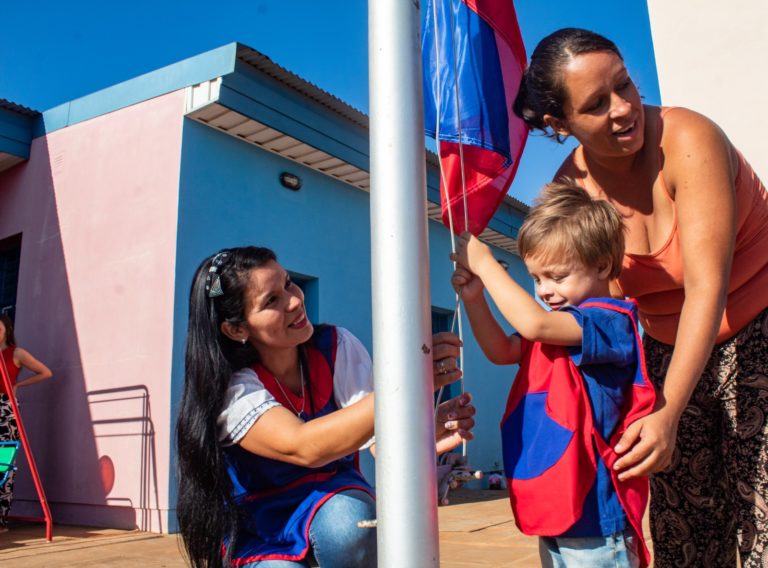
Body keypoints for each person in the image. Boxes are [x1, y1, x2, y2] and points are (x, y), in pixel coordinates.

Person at [512, 27, 768, 567]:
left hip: (758, 332)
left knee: (762, 521)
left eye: (625, 85)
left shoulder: (689, 139)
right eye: (597, 103)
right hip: (662, 356)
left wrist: (668, 411)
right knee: (688, 537)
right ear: (560, 125)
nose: (624, 108)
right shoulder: (573, 191)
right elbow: (570, 306)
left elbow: (706, 288)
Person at [176, 246, 475, 568]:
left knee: (348, 527)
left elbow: (379, 441)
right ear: (237, 329)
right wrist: (407, 384)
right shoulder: (232, 389)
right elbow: (304, 446)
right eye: (271, 301)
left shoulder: (336, 346)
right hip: (259, 524)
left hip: (333, 499)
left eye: (288, 283)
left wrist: (424, 428)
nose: (294, 300)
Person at [451, 181, 655, 568]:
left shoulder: (609, 322)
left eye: (557, 276)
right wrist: (475, 299)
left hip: (597, 510)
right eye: (537, 278)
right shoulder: (556, 322)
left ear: (602, 265)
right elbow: (502, 350)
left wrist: (486, 264)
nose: (545, 291)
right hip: (558, 503)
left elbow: (534, 327)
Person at [0, 313, 53, 533]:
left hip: (6, 411)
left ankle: (1, 520)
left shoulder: (16, 353)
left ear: (6, 329)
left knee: (4, 466)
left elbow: (45, 372)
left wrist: (19, 386)